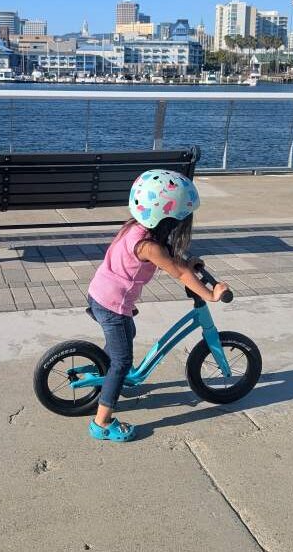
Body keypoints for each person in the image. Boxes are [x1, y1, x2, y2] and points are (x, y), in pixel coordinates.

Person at [87, 169, 229, 442]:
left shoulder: (135, 228)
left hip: (102, 295)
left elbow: (174, 262)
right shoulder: (149, 247)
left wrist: (186, 263)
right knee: (123, 360)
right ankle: (101, 423)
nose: (181, 225)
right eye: (179, 220)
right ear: (165, 219)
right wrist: (211, 294)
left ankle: (109, 378)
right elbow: (179, 273)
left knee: (126, 339)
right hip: (111, 304)